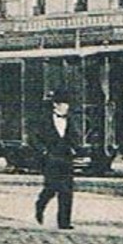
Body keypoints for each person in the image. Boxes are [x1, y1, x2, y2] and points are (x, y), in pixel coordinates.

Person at [33, 94, 78, 230]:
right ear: (56, 105)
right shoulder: (44, 120)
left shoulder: (70, 120)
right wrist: (44, 152)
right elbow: (34, 138)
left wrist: (76, 150)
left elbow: (74, 137)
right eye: (64, 104)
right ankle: (40, 205)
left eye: (67, 104)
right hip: (50, 159)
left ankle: (64, 222)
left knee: (67, 190)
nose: (66, 107)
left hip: (66, 159)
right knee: (51, 188)